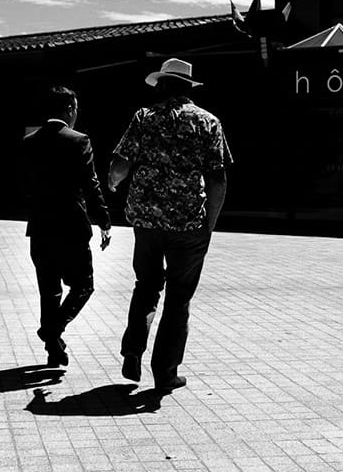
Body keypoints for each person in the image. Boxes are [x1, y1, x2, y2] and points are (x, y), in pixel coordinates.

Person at [106, 58, 232, 394]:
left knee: (146, 285)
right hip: (190, 223)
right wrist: (210, 224)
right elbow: (218, 179)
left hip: (146, 221)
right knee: (179, 297)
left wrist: (114, 183)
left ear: (162, 86)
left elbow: (120, 166)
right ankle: (165, 372)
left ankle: (133, 348)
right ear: (189, 88)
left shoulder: (144, 118)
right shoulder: (209, 122)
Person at [20, 85, 113, 369]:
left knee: (49, 291)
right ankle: (53, 330)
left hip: (40, 226)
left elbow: (24, 184)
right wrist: (104, 221)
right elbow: (91, 183)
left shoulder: (29, 141)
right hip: (72, 226)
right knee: (84, 284)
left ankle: (53, 349)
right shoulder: (79, 140)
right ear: (70, 110)